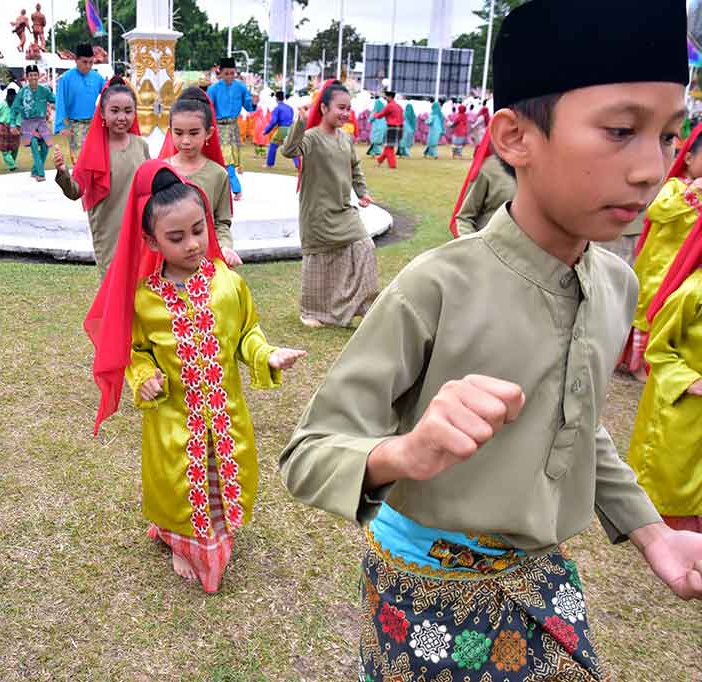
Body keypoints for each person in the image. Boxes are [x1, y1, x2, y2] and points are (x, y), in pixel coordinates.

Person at [279, 2, 702, 680]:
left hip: (543, 578)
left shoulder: (617, 285)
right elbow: (310, 452)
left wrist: (654, 535)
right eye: (622, 130)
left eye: (670, 134)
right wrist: (406, 452)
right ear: (514, 137)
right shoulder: (435, 286)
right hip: (423, 590)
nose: (653, 167)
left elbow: (578, 423)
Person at [83, 160, 305, 592]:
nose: (192, 244)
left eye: (198, 230)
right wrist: (143, 376)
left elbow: (246, 334)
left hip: (224, 416)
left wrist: (267, 355)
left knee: (220, 477)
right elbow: (135, 351)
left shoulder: (228, 284)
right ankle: (180, 541)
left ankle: (211, 537)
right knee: (177, 482)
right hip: (174, 418)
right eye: (176, 237)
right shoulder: (144, 299)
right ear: (151, 240)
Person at [282, 81, 380, 329]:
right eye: (341, 108)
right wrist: (300, 121)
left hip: (344, 211)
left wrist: (362, 192)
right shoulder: (311, 138)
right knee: (319, 261)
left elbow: (354, 168)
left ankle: (364, 307)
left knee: (365, 247)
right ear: (324, 108)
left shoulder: (346, 138)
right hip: (317, 213)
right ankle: (311, 311)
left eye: (348, 108)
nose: (346, 113)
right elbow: (289, 151)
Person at [628, 212, 702, 534]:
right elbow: (657, 349)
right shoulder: (693, 292)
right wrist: (689, 381)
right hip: (680, 408)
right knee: (672, 478)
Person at [620, 126, 702, 381]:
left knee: (667, 311)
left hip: (682, 267)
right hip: (658, 264)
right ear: (689, 158)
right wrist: (692, 193)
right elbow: (656, 211)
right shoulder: (675, 187)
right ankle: (635, 363)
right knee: (645, 309)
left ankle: (655, 360)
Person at [54, 77, 150, 277]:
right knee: (113, 281)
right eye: (115, 111)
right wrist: (63, 173)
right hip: (109, 231)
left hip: (139, 228)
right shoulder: (93, 149)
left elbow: (150, 185)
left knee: (140, 280)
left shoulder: (141, 145)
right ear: (103, 113)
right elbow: (75, 191)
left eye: (128, 111)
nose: (122, 117)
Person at [160, 87, 242, 266]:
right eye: (178, 133)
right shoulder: (161, 170)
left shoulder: (218, 174)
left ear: (209, 133)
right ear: (170, 131)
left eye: (194, 133)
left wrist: (225, 247)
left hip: (205, 260)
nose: (186, 140)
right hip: (168, 263)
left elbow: (221, 222)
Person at [207, 57, 254, 201]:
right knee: (221, 159)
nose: (229, 77)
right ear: (220, 73)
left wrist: (251, 100)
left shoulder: (241, 88)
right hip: (218, 128)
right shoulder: (213, 89)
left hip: (233, 128)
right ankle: (233, 189)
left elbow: (249, 107)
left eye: (232, 73)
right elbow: (208, 109)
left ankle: (234, 190)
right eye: (226, 73)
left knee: (229, 159)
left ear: (236, 73)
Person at [451, 138, 517, 237]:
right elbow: (464, 218)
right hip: (489, 241)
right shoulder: (489, 168)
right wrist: (473, 244)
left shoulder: (540, 170)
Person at [54, 44, 106, 162]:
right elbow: (60, 102)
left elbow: (109, 93)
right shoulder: (66, 78)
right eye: (84, 62)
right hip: (75, 125)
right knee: (79, 160)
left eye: (91, 62)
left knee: (96, 157)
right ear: (76, 60)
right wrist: (60, 126)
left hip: (94, 123)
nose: (88, 66)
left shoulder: (97, 77)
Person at [11, 64, 55, 182]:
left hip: (41, 123)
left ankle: (34, 170)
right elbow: (14, 109)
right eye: (31, 75)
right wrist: (13, 124)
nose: (33, 77)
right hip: (28, 124)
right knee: (34, 145)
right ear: (27, 76)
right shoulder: (22, 92)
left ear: (38, 76)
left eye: (35, 75)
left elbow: (55, 100)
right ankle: (40, 174)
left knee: (45, 147)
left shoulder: (44, 90)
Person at [263, 90, 294, 168]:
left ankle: (270, 164)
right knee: (292, 147)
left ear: (276, 98)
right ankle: (298, 165)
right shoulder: (290, 108)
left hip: (282, 129)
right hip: (291, 129)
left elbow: (273, 121)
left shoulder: (277, 108)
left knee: (273, 145)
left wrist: (266, 131)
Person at [0, 89, 21, 171]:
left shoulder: (2, 104)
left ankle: (11, 164)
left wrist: (0, 118)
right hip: (16, 126)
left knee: (4, 149)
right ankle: (12, 162)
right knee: (15, 147)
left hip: (5, 127)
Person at [373, 91, 403, 169]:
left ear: (390, 97)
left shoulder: (389, 106)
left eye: (386, 97)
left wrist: (374, 114)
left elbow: (380, 115)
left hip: (392, 127)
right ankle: (379, 160)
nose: (385, 98)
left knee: (389, 147)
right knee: (389, 146)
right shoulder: (399, 106)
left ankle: (392, 165)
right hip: (400, 128)